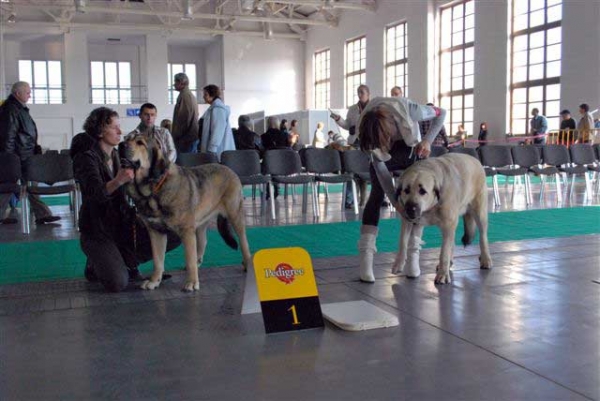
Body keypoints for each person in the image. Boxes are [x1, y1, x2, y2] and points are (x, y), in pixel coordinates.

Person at [71, 107, 179, 292]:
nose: (120, 132)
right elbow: (95, 193)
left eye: (119, 127)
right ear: (99, 131)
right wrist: (118, 180)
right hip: (97, 229)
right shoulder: (85, 159)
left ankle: (127, 260)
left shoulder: (118, 154)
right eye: (114, 128)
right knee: (117, 283)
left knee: (175, 232)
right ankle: (95, 263)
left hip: (122, 224)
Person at [355, 96, 447, 283]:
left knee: (419, 196)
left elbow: (441, 113)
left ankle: (413, 255)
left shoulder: (412, 110)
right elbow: (382, 175)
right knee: (376, 194)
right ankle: (366, 259)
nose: (385, 144)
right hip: (382, 156)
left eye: (386, 138)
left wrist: (428, 140)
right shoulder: (364, 131)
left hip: (411, 148)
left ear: (390, 124)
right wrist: (396, 203)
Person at [0, 81, 61, 225]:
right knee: (12, 185)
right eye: (27, 92)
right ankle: (42, 214)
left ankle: (43, 214)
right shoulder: (11, 110)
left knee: (27, 184)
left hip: (24, 155)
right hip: (16, 157)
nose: (30, 94)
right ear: (17, 93)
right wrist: (8, 159)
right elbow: (8, 135)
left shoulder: (18, 109)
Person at [199, 84, 236, 160]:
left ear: (212, 95)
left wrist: (212, 148)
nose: (203, 97)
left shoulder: (218, 109)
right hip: (215, 149)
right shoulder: (214, 108)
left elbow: (217, 130)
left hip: (217, 151)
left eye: (205, 94)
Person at [171, 73, 199, 154]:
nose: (174, 84)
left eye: (175, 82)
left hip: (186, 139)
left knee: (186, 164)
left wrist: (176, 136)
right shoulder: (188, 95)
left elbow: (183, 119)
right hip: (189, 138)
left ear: (181, 83)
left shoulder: (185, 96)